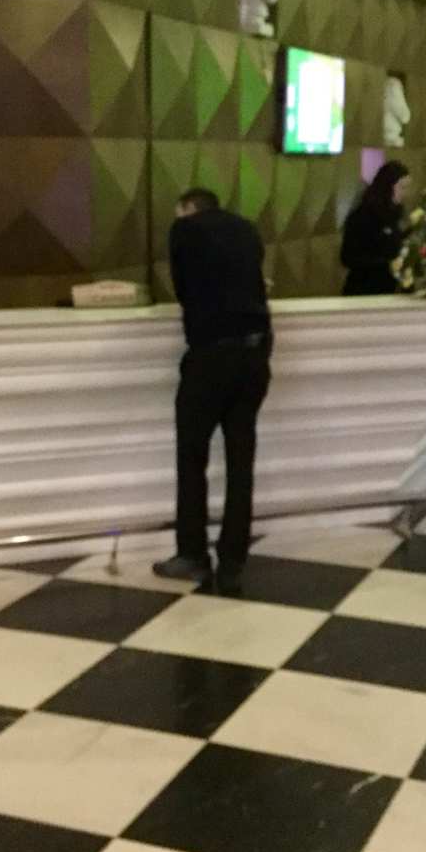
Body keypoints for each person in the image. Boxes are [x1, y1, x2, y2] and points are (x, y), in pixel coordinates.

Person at [153, 188, 273, 594]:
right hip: (254, 356)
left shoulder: (185, 230)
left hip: (211, 357)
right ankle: (233, 561)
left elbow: (183, 290)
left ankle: (193, 554)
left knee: (192, 457)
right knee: (241, 461)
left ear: (188, 208)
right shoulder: (247, 229)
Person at [341, 161, 411, 295]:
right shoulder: (363, 216)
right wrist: (387, 264)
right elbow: (348, 257)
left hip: (387, 290)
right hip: (363, 291)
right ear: (388, 186)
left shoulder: (394, 214)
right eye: (402, 187)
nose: (405, 193)